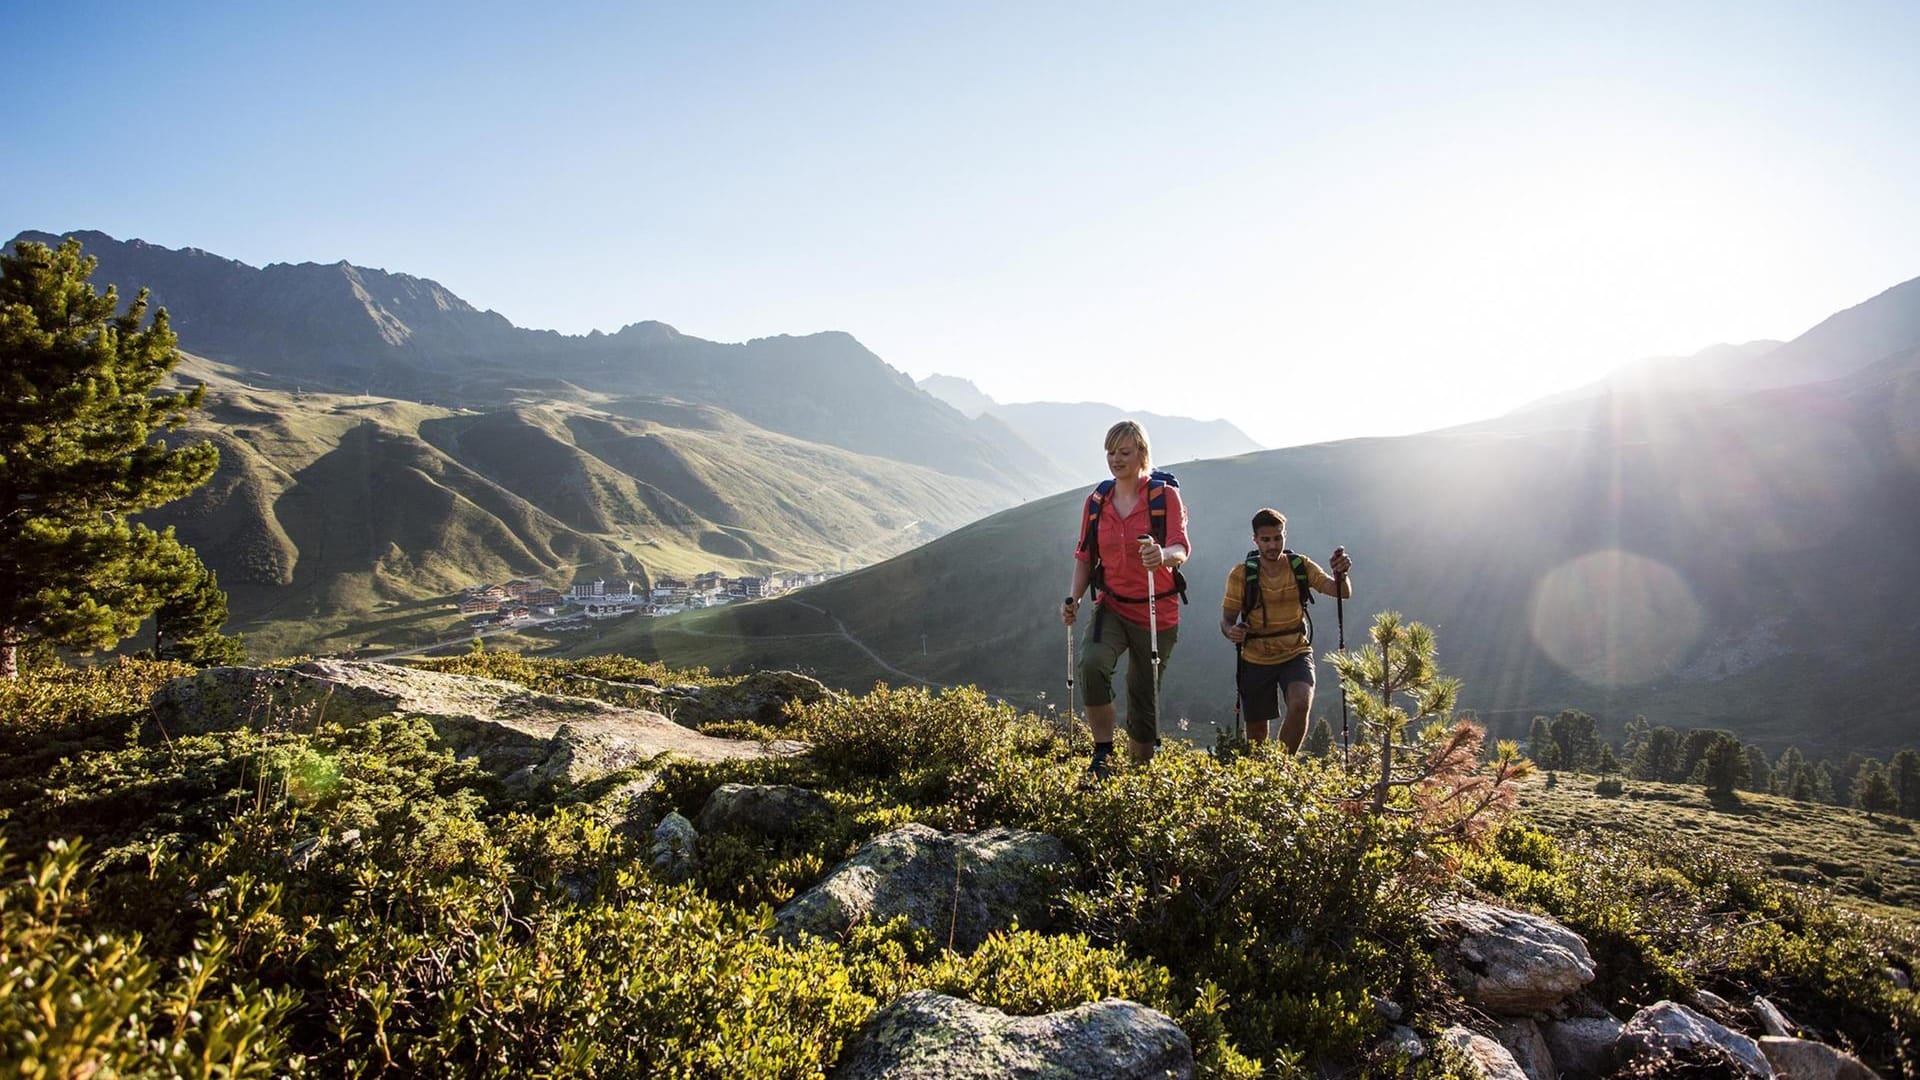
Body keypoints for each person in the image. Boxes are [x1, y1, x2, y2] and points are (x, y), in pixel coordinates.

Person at [1061, 421, 1190, 777]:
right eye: (1111, 452)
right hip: (1113, 604)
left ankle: (1139, 773)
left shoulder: (1164, 498)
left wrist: (1162, 556)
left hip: (1156, 610)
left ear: (1142, 454)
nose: (1116, 459)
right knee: (1091, 663)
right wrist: (1074, 598)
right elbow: (1085, 556)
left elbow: (1181, 546)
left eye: (1125, 452)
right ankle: (1102, 753)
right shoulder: (1097, 502)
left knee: (1142, 693)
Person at [1220, 508, 1352, 752]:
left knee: (1301, 703)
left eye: (1278, 538)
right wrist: (1231, 632)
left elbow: (1341, 592)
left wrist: (1341, 574)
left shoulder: (1300, 565)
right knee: (1257, 733)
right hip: (1255, 657)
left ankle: (1282, 767)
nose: (1272, 545)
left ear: (1285, 535)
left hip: (1296, 651)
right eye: (1266, 539)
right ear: (1255, 540)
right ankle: (1263, 779)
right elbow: (1226, 620)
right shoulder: (1241, 574)